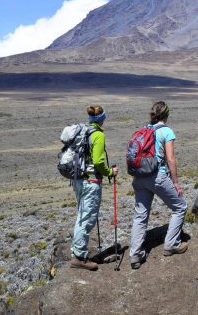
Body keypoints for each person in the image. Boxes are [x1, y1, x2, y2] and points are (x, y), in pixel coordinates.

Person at [129, 101, 188, 269]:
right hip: (157, 176)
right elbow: (170, 159)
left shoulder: (144, 130)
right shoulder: (166, 131)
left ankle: (135, 255)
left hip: (139, 177)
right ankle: (171, 244)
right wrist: (175, 182)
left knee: (140, 216)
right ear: (166, 115)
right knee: (180, 207)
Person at [70, 105, 119, 271]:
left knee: (82, 216)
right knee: (87, 219)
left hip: (78, 181)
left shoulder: (83, 132)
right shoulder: (97, 135)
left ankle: (77, 252)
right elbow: (98, 161)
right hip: (91, 182)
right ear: (102, 119)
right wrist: (109, 172)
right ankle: (79, 257)